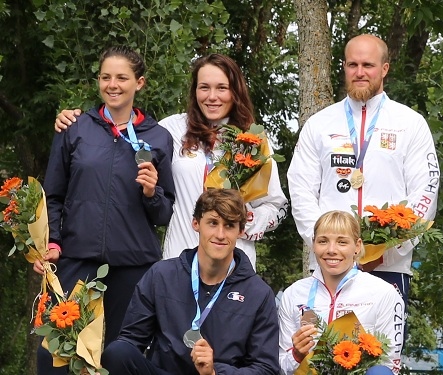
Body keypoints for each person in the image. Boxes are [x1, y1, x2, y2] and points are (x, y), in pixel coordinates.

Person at [55, 53, 288, 268]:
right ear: (194, 91)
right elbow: (119, 134)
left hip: (234, 262)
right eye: (204, 87)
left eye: (222, 88)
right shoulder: (172, 129)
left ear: (235, 91)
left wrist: (241, 222)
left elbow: (277, 207)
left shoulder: (252, 141)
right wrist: (76, 119)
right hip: (179, 260)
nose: (212, 97)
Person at [34, 46, 175, 374]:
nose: (113, 84)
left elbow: (165, 213)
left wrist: (153, 192)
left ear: (139, 83)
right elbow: (51, 195)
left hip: (134, 267)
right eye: (105, 77)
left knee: (116, 357)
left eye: (122, 78)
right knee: (55, 354)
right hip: (77, 261)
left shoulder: (158, 138)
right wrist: (53, 243)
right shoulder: (75, 128)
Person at [287, 34, 439, 313]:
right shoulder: (319, 124)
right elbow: (300, 190)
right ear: (344, 67)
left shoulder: (410, 124)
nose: (359, 72)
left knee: (381, 353)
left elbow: (426, 191)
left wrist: (387, 250)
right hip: (328, 265)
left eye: (368, 65)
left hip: (389, 265)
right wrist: (326, 247)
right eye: (352, 64)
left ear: (384, 69)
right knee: (324, 352)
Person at [101, 188, 279, 375]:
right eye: (212, 222)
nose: (220, 234)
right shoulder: (161, 275)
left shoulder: (258, 294)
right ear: (196, 223)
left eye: (229, 225)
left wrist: (215, 372)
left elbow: (265, 369)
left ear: (241, 231)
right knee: (116, 353)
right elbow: (131, 341)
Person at [278, 210, 404, 374]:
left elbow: (390, 364)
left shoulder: (383, 292)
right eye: (323, 241)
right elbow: (281, 366)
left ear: (357, 246)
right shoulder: (293, 294)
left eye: (342, 242)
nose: (331, 250)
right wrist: (296, 355)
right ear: (313, 245)